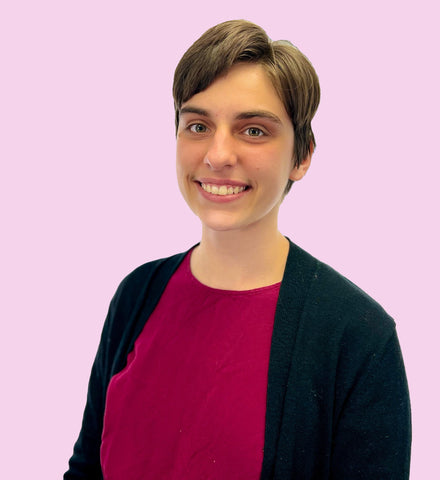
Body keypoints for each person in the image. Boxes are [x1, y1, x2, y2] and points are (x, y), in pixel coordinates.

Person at [65, 19, 411, 480]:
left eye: (253, 131)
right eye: (198, 125)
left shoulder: (358, 337)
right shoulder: (136, 295)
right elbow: (86, 470)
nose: (217, 154)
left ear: (302, 155)